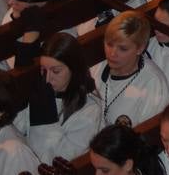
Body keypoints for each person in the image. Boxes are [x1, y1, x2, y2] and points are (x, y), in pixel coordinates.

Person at [13, 32, 102, 164]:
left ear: (74, 69)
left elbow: (58, 162)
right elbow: (16, 133)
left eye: (56, 71)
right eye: (43, 70)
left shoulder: (90, 111)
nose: (48, 79)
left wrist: (44, 122)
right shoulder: (41, 91)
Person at [91, 11, 169, 128]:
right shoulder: (95, 68)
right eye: (109, 44)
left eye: (122, 49)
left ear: (140, 48)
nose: (112, 54)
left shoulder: (154, 84)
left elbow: (149, 135)